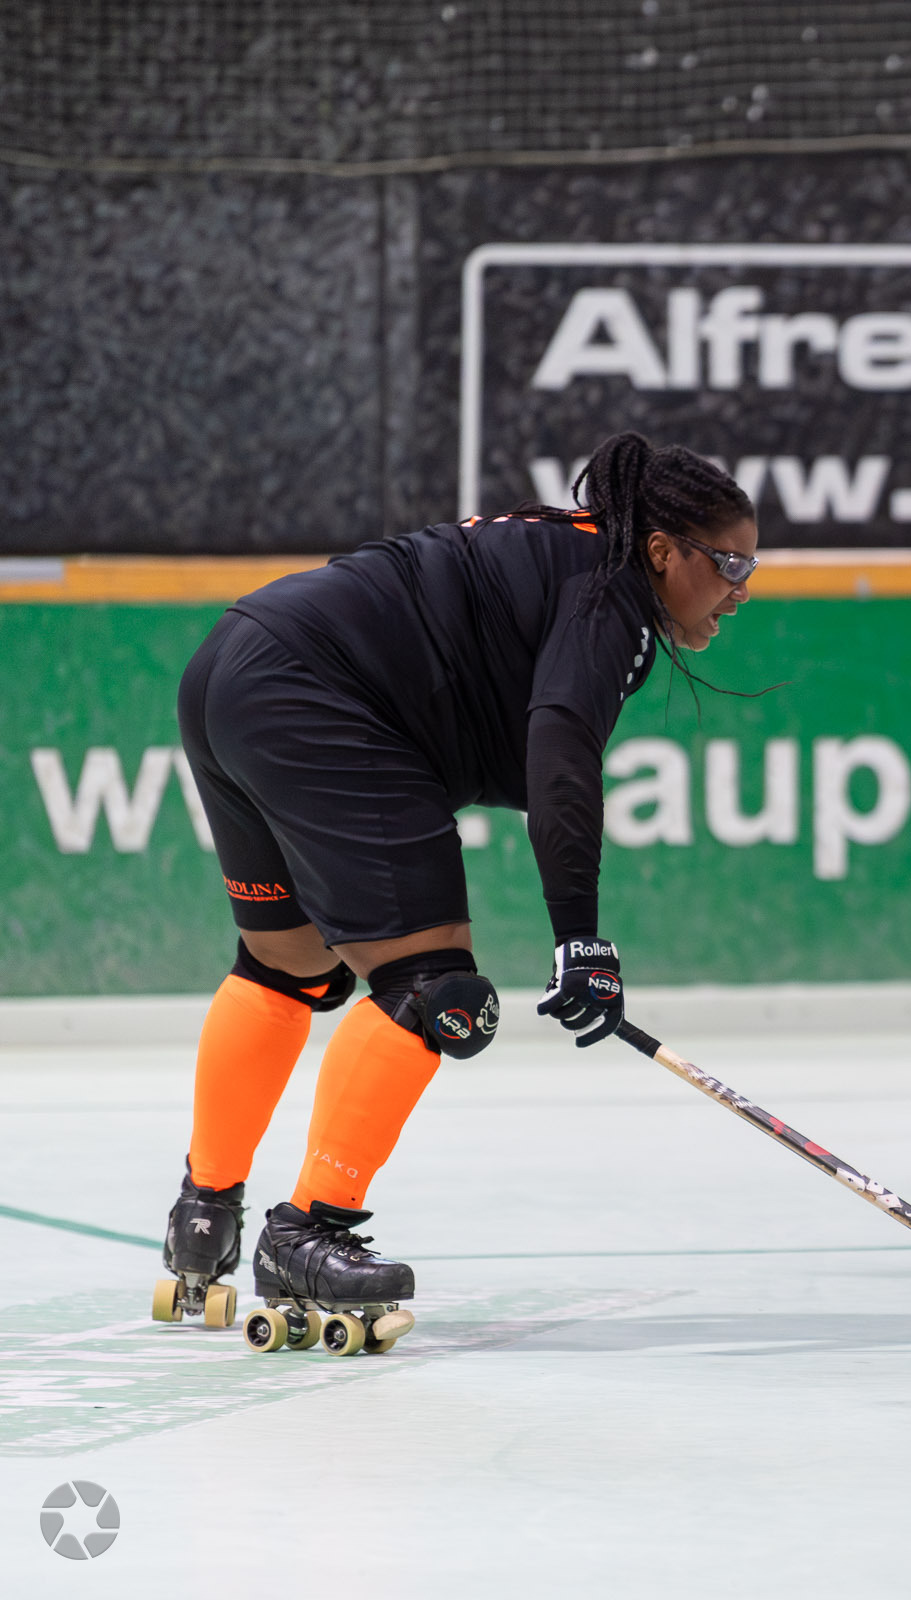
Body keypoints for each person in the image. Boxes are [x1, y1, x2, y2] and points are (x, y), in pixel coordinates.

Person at [153, 434, 757, 1352]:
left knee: (289, 963)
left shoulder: (577, 555)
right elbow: (561, 758)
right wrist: (580, 939)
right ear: (664, 549)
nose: (742, 588)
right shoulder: (611, 593)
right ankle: (308, 1232)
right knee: (438, 992)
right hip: (325, 694)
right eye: (730, 565)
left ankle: (204, 1214)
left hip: (233, 667)